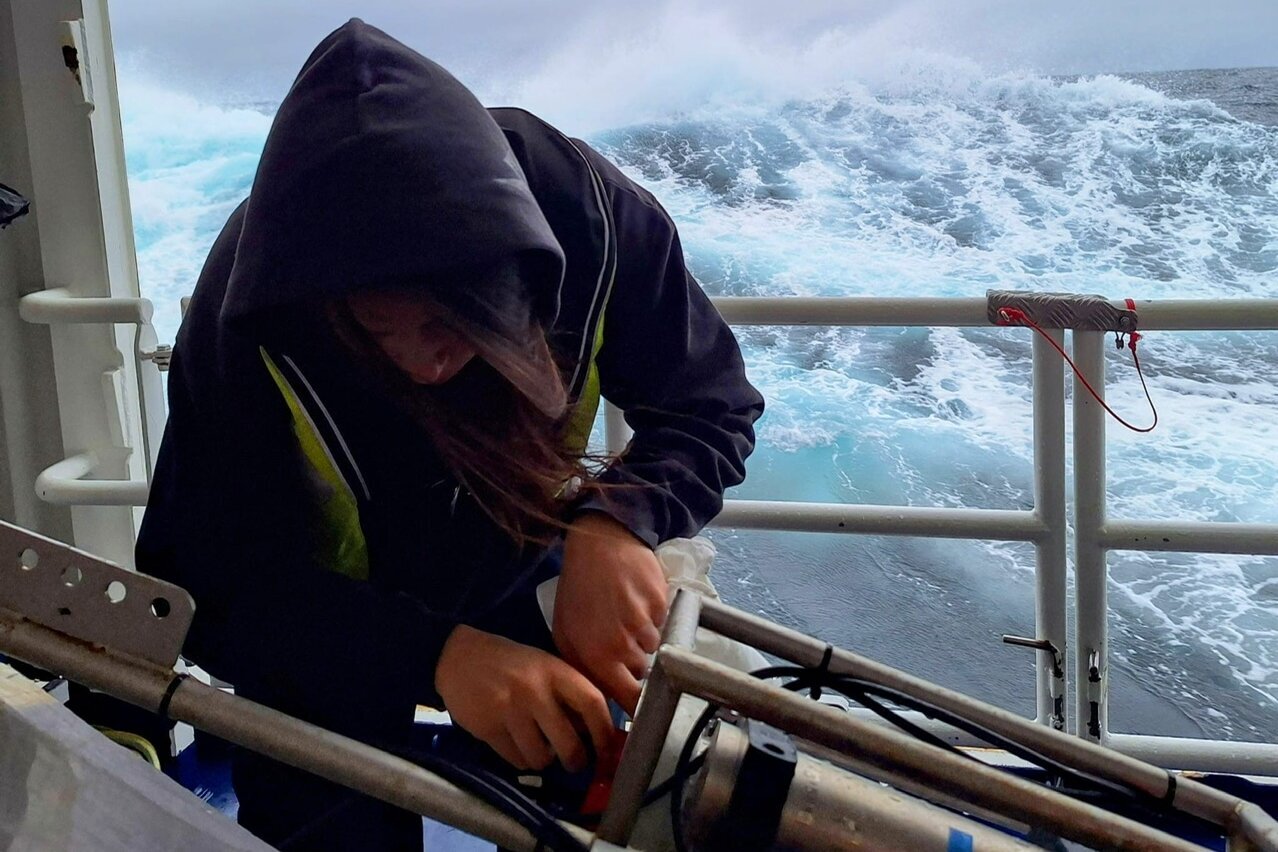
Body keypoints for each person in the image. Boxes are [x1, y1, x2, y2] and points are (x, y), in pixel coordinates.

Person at [136, 18, 764, 851]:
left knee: (631, 786)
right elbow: (202, 584)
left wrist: (620, 522)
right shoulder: (247, 327)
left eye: (457, 328)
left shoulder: (593, 222)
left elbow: (711, 403)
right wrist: (433, 655)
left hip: (518, 548)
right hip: (325, 626)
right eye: (384, 330)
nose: (429, 366)